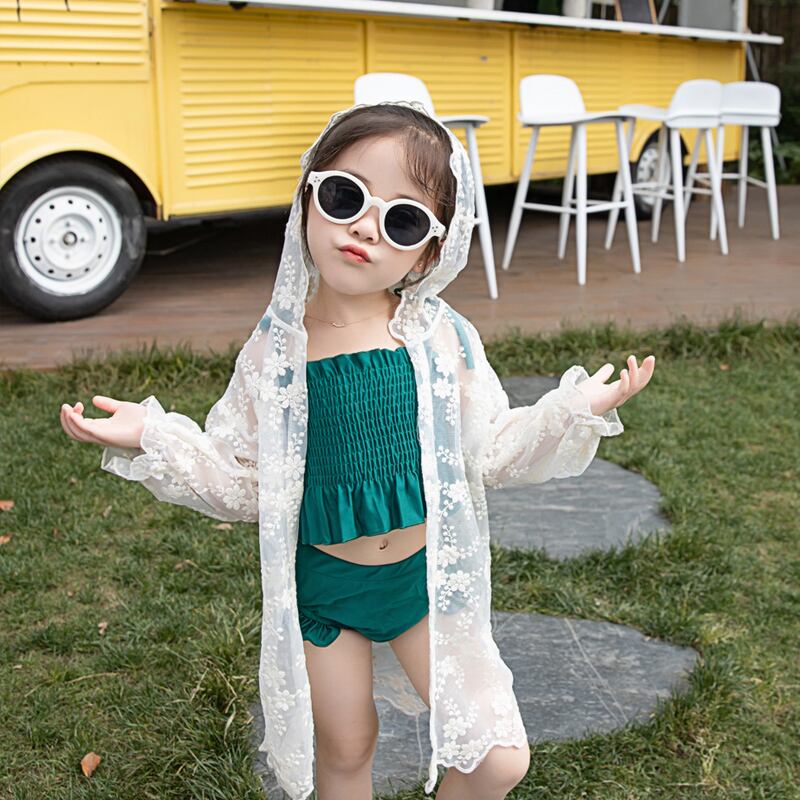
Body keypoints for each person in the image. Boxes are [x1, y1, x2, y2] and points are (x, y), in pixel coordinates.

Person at [59, 100, 655, 800]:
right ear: (307, 199)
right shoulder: (276, 352)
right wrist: (156, 436)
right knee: (347, 749)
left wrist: (570, 411)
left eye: (403, 220)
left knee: (498, 758)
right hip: (327, 592)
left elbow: (491, 450)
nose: (366, 227)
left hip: (425, 584)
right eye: (345, 197)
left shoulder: (439, 339)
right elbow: (246, 483)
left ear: (430, 250)